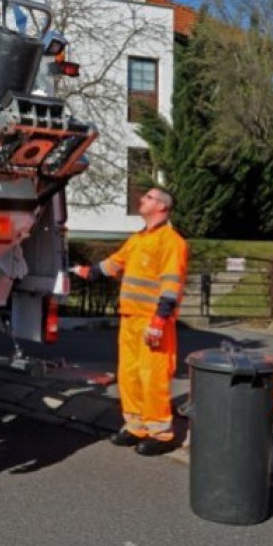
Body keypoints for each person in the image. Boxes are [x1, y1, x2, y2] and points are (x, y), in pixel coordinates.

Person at [72, 188, 188, 456]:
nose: (141, 200)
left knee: (153, 377)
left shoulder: (171, 241)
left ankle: (161, 433)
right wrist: (81, 271)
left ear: (161, 206)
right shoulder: (138, 239)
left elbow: (171, 287)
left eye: (148, 197)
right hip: (131, 320)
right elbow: (112, 265)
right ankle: (136, 426)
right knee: (130, 375)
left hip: (152, 322)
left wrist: (159, 321)